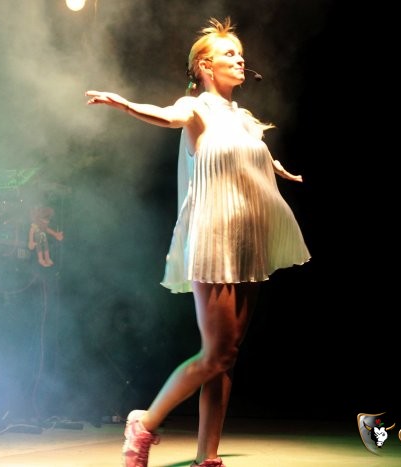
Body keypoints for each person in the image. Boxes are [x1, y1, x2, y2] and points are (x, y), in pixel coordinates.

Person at [85, 17, 310, 467]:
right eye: (229, 53)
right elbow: (167, 117)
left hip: (248, 237)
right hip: (214, 236)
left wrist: (275, 168)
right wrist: (127, 105)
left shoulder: (242, 119)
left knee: (227, 356)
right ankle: (145, 422)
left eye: (240, 53)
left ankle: (207, 455)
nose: (240, 59)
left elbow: (250, 154)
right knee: (216, 353)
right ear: (205, 66)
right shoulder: (195, 108)